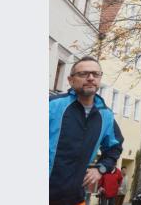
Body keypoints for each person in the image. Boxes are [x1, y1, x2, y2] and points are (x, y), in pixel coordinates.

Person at [49, 56, 124, 205]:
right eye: (83, 74)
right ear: (71, 80)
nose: (90, 78)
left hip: (75, 198)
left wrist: (100, 169)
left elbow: (114, 147)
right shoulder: (52, 105)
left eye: (95, 74)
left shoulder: (106, 115)